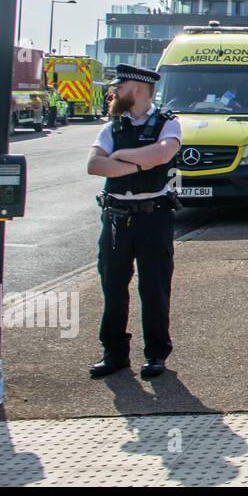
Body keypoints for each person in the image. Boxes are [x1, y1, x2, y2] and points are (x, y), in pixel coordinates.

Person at [85, 64, 182, 380]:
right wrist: (140, 163)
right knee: (112, 286)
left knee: (154, 288)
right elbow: (95, 166)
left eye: (120, 87)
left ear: (138, 89)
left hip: (154, 217)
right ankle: (114, 353)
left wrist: (120, 159)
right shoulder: (111, 127)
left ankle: (155, 355)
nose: (114, 93)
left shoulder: (168, 123)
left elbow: (162, 155)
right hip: (116, 219)